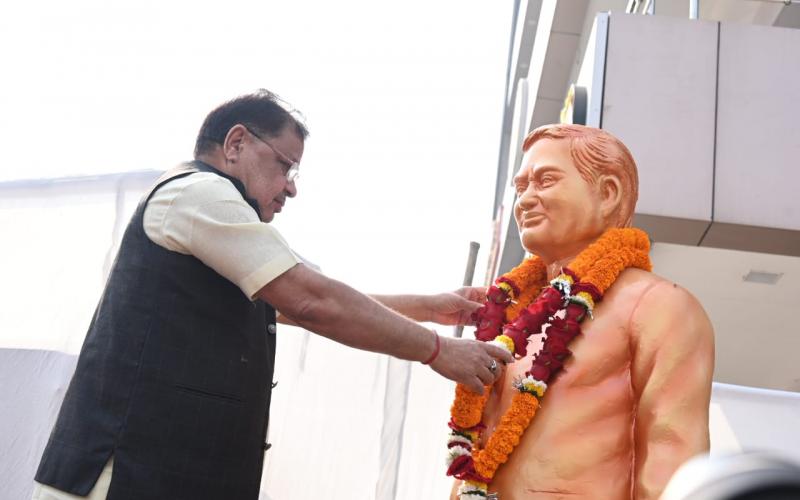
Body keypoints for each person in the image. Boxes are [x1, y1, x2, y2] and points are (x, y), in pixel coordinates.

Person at [32, 89, 512, 500]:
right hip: (124, 475)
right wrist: (438, 349)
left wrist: (430, 307)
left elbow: (317, 297)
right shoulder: (198, 194)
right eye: (285, 165)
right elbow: (311, 300)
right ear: (236, 142)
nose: (291, 188)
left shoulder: (224, 222)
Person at [448, 124, 714, 500]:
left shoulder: (659, 306)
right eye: (521, 187)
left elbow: (673, 460)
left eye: (545, 181)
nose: (525, 200)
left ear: (608, 193)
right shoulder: (509, 316)